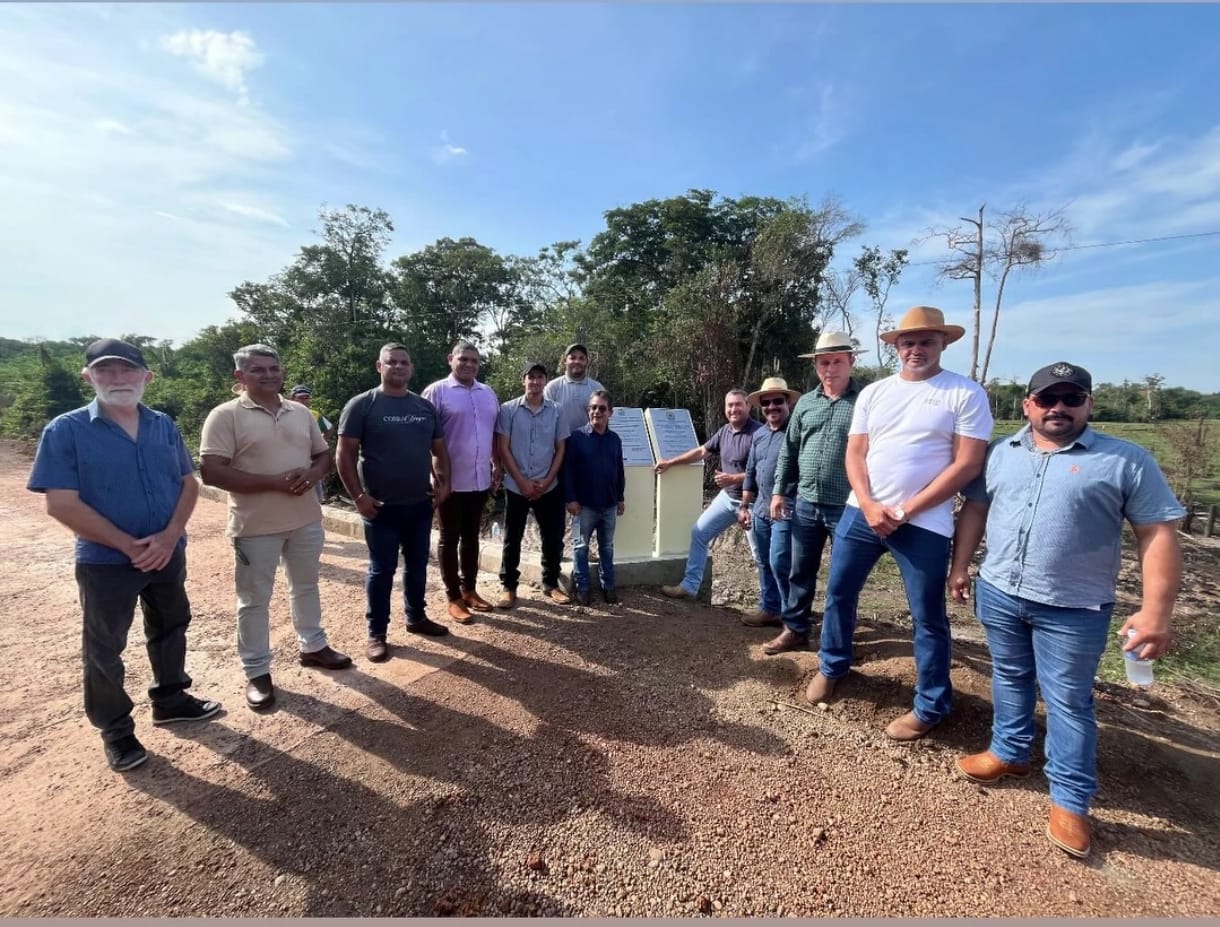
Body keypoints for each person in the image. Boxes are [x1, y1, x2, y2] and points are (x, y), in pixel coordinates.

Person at [949, 361, 1184, 859]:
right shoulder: (1000, 455)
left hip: (1074, 607)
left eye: (1071, 399)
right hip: (1001, 590)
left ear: (1088, 405)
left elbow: (1157, 532)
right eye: (1048, 399)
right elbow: (975, 509)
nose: (1059, 408)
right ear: (1028, 405)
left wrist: (1155, 611)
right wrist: (961, 566)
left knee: (1068, 701)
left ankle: (1071, 800)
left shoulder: (1126, 460)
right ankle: (1009, 752)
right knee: (1010, 676)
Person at [27, 338, 221, 772]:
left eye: (127, 370)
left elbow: (188, 484)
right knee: (104, 647)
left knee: (171, 626)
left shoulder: (162, 425)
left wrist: (170, 536)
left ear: (146, 377)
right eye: (106, 371)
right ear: (88, 377)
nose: (118, 379)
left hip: (168, 551)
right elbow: (61, 502)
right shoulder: (66, 430)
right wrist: (127, 545)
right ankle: (116, 731)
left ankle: (170, 698)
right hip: (106, 562)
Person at [803, 307, 994, 741]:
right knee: (839, 592)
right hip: (861, 513)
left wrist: (906, 510)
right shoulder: (875, 393)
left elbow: (967, 464)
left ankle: (931, 704)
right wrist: (869, 504)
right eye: (908, 342)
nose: (916, 349)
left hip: (924, 522)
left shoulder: (964, 394)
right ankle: (832, 665)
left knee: (927, 616)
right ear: (895, 347)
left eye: (926, 341)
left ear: (942, 344)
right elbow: (855, 454)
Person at [200, 343, 352, 712]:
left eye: (274, 368)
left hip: (305, 519)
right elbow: (212, 470)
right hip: (255, 525)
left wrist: (313, 473)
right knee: (254, 600)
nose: (268, 375)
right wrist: (274, 482)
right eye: (258, 370)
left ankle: (313, 646)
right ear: (240, 376)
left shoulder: (300, 412)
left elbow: (322, 457)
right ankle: (256, 671)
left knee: (306, 586)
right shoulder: (225, 416)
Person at [337, 343, 453, 663]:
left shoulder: (423, 407)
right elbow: (344, 455)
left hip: (419, 505)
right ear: (380, 366)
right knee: (382, 570)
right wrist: (358, 497)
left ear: (411, 368)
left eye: (404, 362)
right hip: (380, 508)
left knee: (417, 567)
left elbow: (439, 450)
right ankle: (377, 633)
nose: (399, 367)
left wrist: (444, 483)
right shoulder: (363, 405)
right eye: (392, 362)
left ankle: (416, 618)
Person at [757, 332, 865, 654]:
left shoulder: (865, 402)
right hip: (805, 502)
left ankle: (838, 642)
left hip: (847, 505)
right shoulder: (805, 403)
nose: (830, 369)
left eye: (836, 361)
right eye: (824, 362)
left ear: (851, 362)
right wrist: (779, 492)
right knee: (799, 572)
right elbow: (789, 452)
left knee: (843, 579)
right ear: (816, 366)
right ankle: (795, 630)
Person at [421, 342, 501, 624]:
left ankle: (469, 590)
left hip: (479, 478)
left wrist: (496, 464)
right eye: (463, 359)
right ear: (450, 359)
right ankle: (453, 597)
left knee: (471, 538)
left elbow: (493, 435)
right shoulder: (437, 392)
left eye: (474, 361)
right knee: (448, 538)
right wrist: (434, 477)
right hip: (448, 482)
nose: (468, 365)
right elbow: (423, 437)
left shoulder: (487, 393)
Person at [658, 389, 763, 600]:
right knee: (699, 533)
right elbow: (701, 452)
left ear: (748, 406)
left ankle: (770, 604)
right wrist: (670, 463)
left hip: (752, 501)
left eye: (738, 404)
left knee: (759, 554)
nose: (733, 409)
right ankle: (690, 586)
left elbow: (764, 471)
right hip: (727, 499)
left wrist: (733, 479)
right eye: (729, 405)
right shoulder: (724, 431)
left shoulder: (759, 433)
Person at [496, 361, 572, 607]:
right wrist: (522, 481)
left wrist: (548, 479)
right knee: (512, 537)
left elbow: (561, 448)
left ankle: (550, 583)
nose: (535, 382)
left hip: (548, 485)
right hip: (517, 485)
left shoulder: (557, 410)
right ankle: (508, 586)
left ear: (545, 381)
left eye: (540, 377)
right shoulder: (508, 410)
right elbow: (503, 448)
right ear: (524, 380)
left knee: (553, 537)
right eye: (531, 377)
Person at [736, 376, 800, 645]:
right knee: (763, 560)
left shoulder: (796, 433)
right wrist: (744, 505)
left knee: (780, 561)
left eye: (777, 401)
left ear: (787, 403)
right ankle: (770, 608)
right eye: (767, 403)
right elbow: (750, 472)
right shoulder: (759, 435)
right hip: (760, 508)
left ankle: (792, 619)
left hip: (787, 507)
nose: (772, 407)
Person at [563, 389, 626, 606]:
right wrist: (570, 499)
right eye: (593, 408)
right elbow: (568, 471)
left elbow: (619, 469)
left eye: (601, 408)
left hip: (608, 506)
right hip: (583, 506)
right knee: (580, 547)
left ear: (610, 412)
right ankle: (583, 588)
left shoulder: (615, 439)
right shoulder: (576, 438)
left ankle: (608, 586)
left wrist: (620, 497)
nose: (596, 412)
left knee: (607, 547)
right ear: (588, 411)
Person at [544, 342, 605, 435]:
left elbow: (605, 419)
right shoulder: (552, 387)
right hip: (561, 445)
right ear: (565, 361)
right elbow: (546, 419)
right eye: (572, 358)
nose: (577, 361)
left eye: (581, 358)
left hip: (590, 444)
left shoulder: (597, 388)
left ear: (587, 361)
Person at [289, 384, 333, 503]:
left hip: (310, 458)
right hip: (291, 457)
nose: (304, 400)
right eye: (301, 398)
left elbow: (329, 428)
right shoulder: (286, 413)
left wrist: (321, 443)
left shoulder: (314, 414)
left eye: (306, 397)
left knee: (314, 484)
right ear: (293, 398)